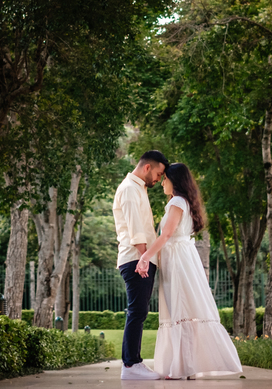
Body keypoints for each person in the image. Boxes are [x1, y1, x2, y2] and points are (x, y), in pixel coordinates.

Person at [135, 163, 243, 380]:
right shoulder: (183, 202)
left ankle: (181, 368)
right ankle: (188, 368)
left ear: (175, 181)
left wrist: (145, 256)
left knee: (180, 311)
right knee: (185, 313)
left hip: (177, 261)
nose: (162, 182)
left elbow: (165, 235)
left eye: (165, 178)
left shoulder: (176, 202)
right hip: (182, 258)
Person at [113, 150, 169, 380]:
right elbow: (136, 229)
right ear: (148, 167)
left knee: (139, 310)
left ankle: (133, 362)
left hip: (141, 258)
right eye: (158, 173)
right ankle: (130, 365)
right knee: (137, 310)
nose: (159, 179)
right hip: (136, 259)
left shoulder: (138, 188)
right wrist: (144, 258)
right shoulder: (129, 189)